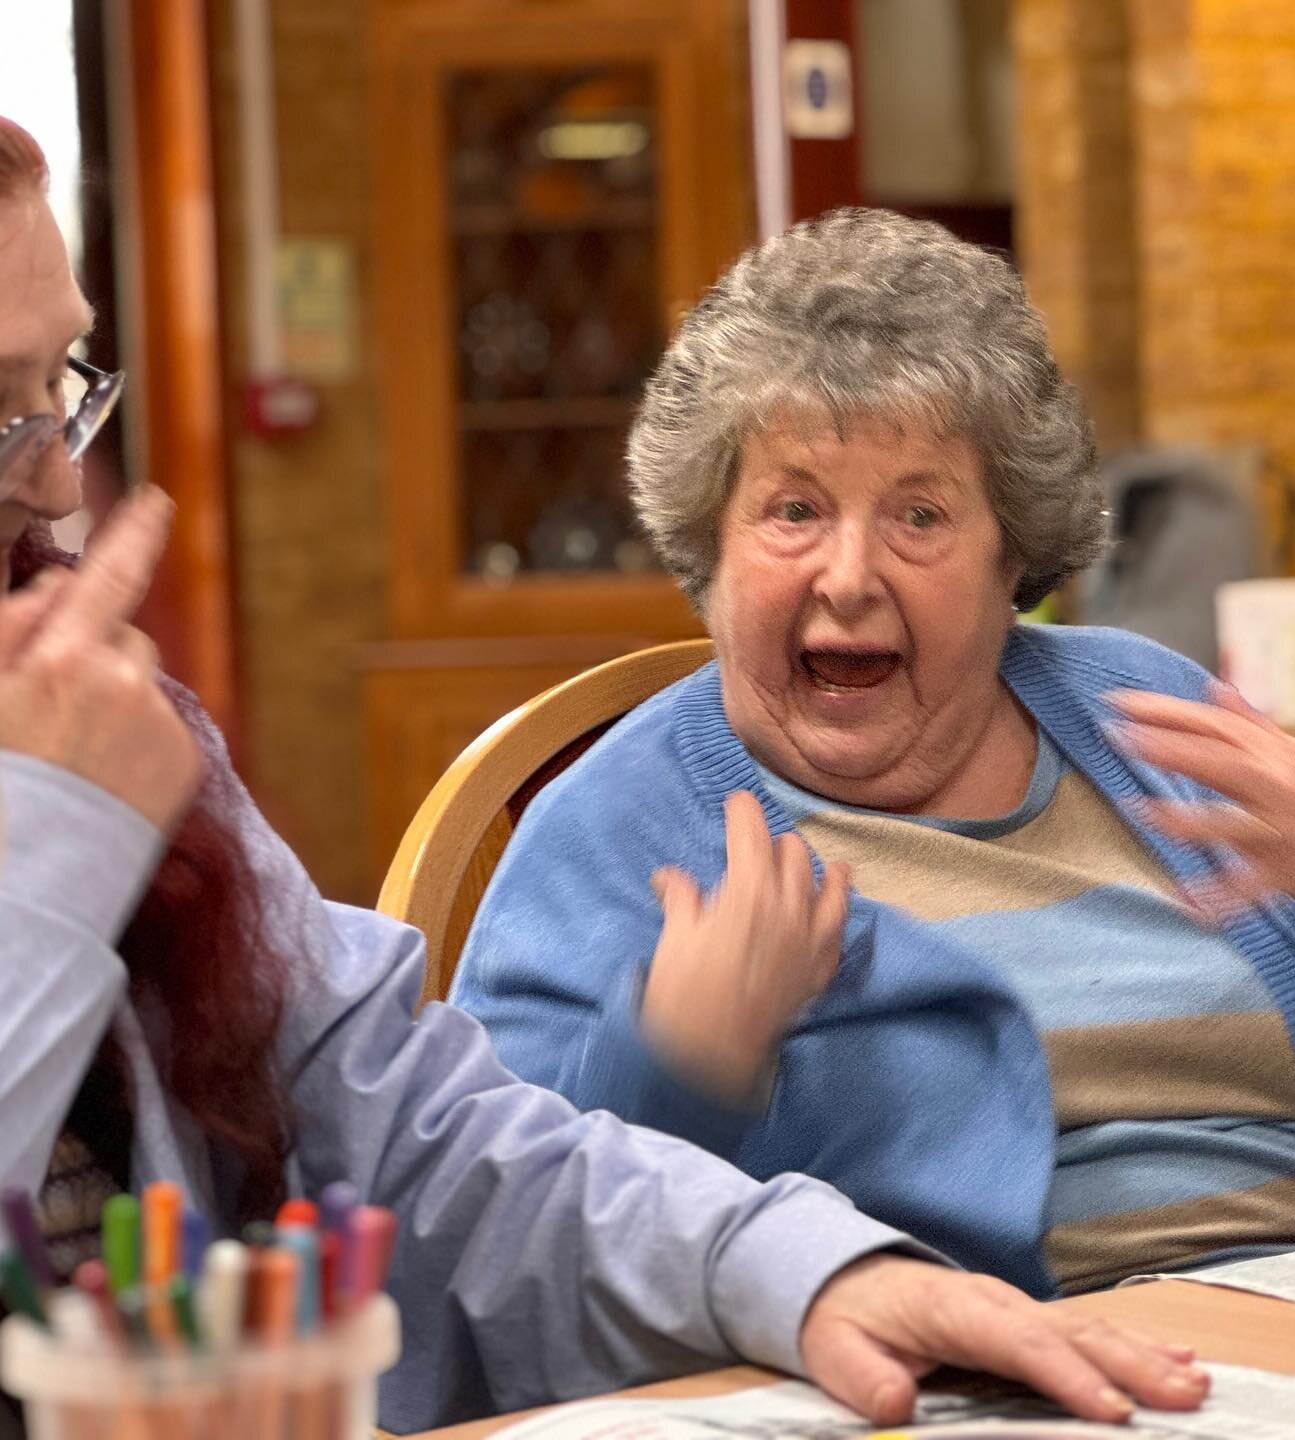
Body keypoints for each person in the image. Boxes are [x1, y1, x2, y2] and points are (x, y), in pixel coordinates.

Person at [0, 121, 1212, 1434]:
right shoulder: (78, 765)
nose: (63, 479)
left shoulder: (99, 733)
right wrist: (57, 840)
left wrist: (802, 1273)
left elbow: (428, 1144)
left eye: (60, 385)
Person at [455, 207, 1295, 1300]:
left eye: (919, 515)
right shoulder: (618, 831)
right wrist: (675, 1067)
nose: (848, 576)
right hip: (982, 1373)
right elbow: (498, 1257)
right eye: (793, 510)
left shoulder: (1149, 713)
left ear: (1010, 552)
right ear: (709, 544)